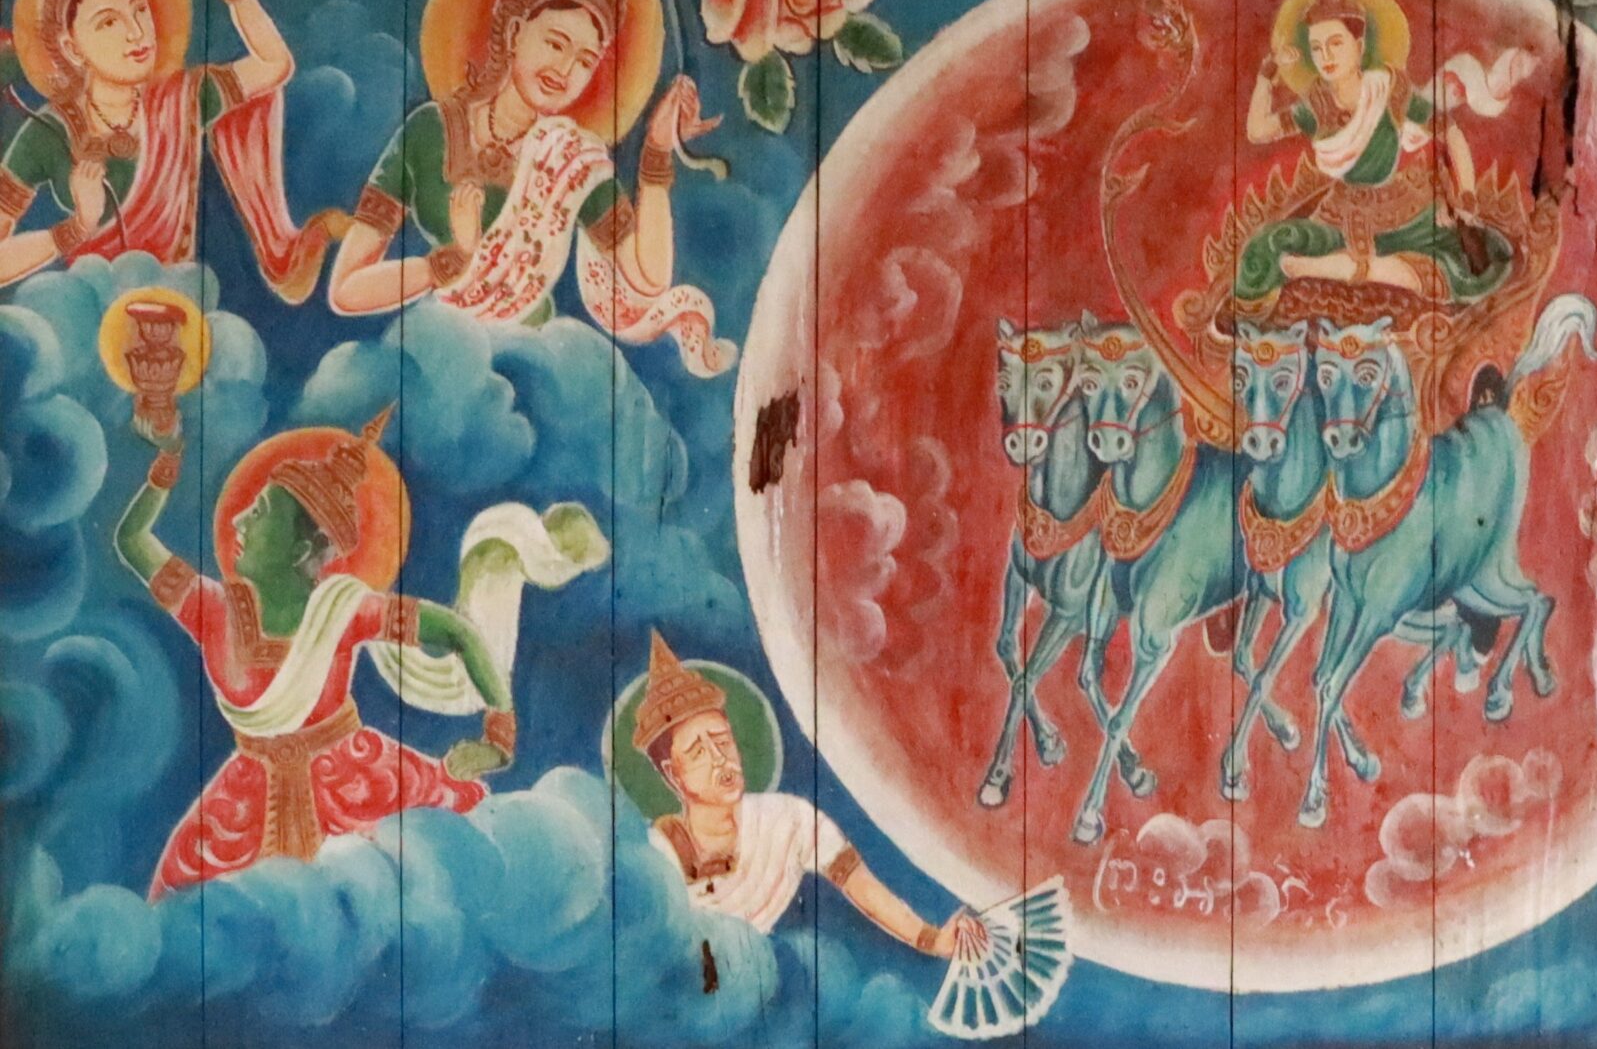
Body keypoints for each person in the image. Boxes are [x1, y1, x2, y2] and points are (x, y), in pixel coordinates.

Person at [116, 403, 607, 897]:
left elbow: (460, 633)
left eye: (260, 513)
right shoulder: (213, 610)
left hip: (355, 787)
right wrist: (169, 459)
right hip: (243, 804)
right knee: (183, 906)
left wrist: (498, 738)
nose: (239, 522)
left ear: (300, 549)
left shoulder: (345, 609)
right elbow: (133, 540)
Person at [324, 0, 732, 378]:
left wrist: (656, 153)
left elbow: (647, 279)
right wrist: (453, 260)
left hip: (539, 362)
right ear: (516, 32)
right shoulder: (428, 131)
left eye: (585, 61)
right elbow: (347, 289)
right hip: (441, 354)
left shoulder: (572, 159)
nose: (565, 70)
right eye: (556, 43)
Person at [0, 0, 340, 297]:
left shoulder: (179, 103)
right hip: (86, 309)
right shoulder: (47, 135)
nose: (136, 32)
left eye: (140, 9)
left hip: (172, 305)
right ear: (72, 48)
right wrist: (76, 228)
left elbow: (273, 66)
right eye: (108, 22)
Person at [626, 632, 989, 954]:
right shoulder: (659, 858)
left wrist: (932, 939)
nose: (720, 759)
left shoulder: (787, 821)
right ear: (672, 774)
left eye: (723, 741)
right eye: (698, 752)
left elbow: (861, 885)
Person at [1237, 0, 1526, 303]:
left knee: (1469, 264)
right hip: (1340, 218)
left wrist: (1464, 200)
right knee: (1269, 245)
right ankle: (1339, 265)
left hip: (1406, 214)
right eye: (1317, 48)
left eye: (1335, 43)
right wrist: (1266, 77)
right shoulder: (1317, 105)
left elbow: (1450, 132)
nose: (1327, 56)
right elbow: (1258, 131)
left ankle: (1323, 268)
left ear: (1358, 46)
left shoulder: (1389, 90)